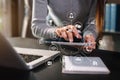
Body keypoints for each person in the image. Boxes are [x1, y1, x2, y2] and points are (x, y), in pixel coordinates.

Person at [31, 0, 105, 53]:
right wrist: (57, 31)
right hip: (52, 41)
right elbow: (37, 26)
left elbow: (93, 23)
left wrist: (89, 35)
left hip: (83, 45)